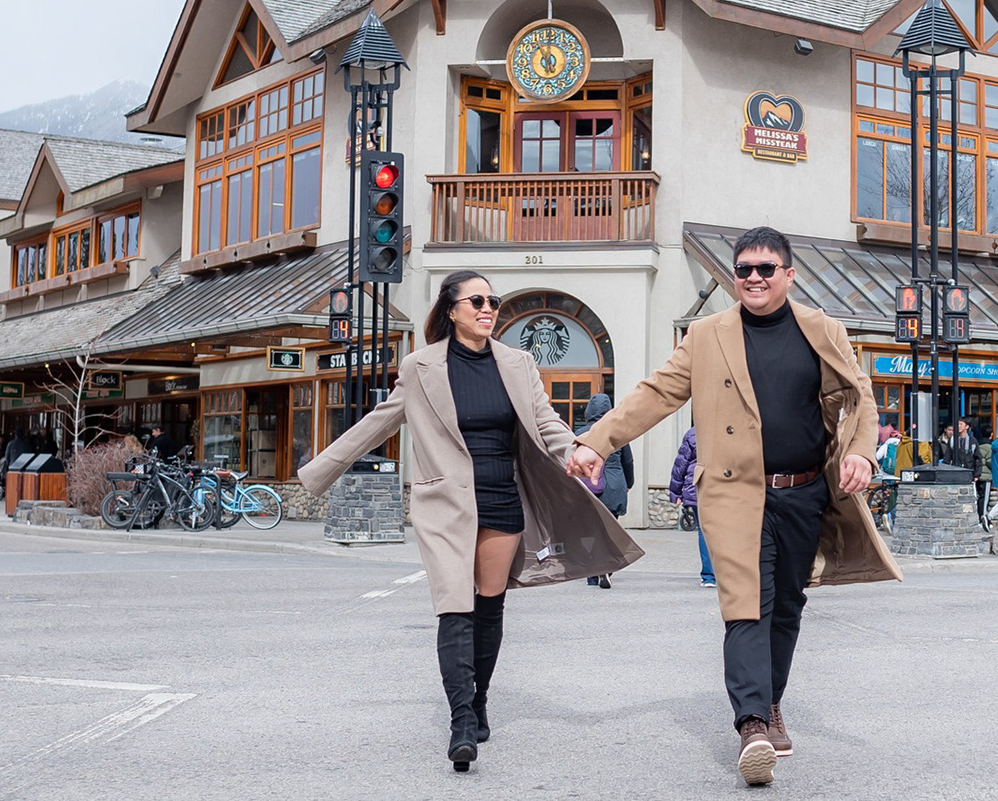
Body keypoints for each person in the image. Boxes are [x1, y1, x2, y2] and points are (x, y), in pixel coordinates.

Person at [568, 227, 900, 786]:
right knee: (745, 603)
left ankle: (770, 702)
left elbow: (860, 397)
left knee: (787, 604)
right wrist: (597, 441)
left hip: (804, 490)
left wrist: (862, 452)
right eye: (743, 269)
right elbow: (655, 393)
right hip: (732, 490)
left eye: (766, 268)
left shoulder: (821, 329)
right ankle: (751, 725)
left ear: (789, 275)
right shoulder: (706, 335)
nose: (753, 277)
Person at [298, 271, 640, 772]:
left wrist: (580, 450)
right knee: (454, 607)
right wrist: (319, 471)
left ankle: (479, 701)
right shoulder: (421, 367)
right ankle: (461, 721)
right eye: (476, 300)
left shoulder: (518, 363)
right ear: (452, 309)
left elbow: (545, 421)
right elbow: (380, 421)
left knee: (489, 606)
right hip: (445, 505)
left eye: (492, 301)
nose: (487, 309)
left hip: (501, 499)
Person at [578, 393, 633, 587]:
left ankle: (593, 573)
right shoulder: (617, 432)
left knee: (590, 531)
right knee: (610, 530)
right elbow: (628, 461)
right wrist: (629, 483)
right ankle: (606, 568)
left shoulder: (580, 433)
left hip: (588, 487)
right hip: (613, 486)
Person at [669, 426, 715, 587]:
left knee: (703, 530)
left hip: (696, 486)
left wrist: (675, 492)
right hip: (723, 486)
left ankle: (709, 577)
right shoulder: (731, 428)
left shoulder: (694, 432)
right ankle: (725, 574)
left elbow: (681, 464)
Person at [974, 435, 994, 529]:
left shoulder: (976, 445)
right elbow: (990, 462)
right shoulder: (989, 447)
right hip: (986, 477)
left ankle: (978, 518)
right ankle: (983, 518)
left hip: (976, 475)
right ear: (991, 434)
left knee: (978, 498)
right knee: (985, 499)